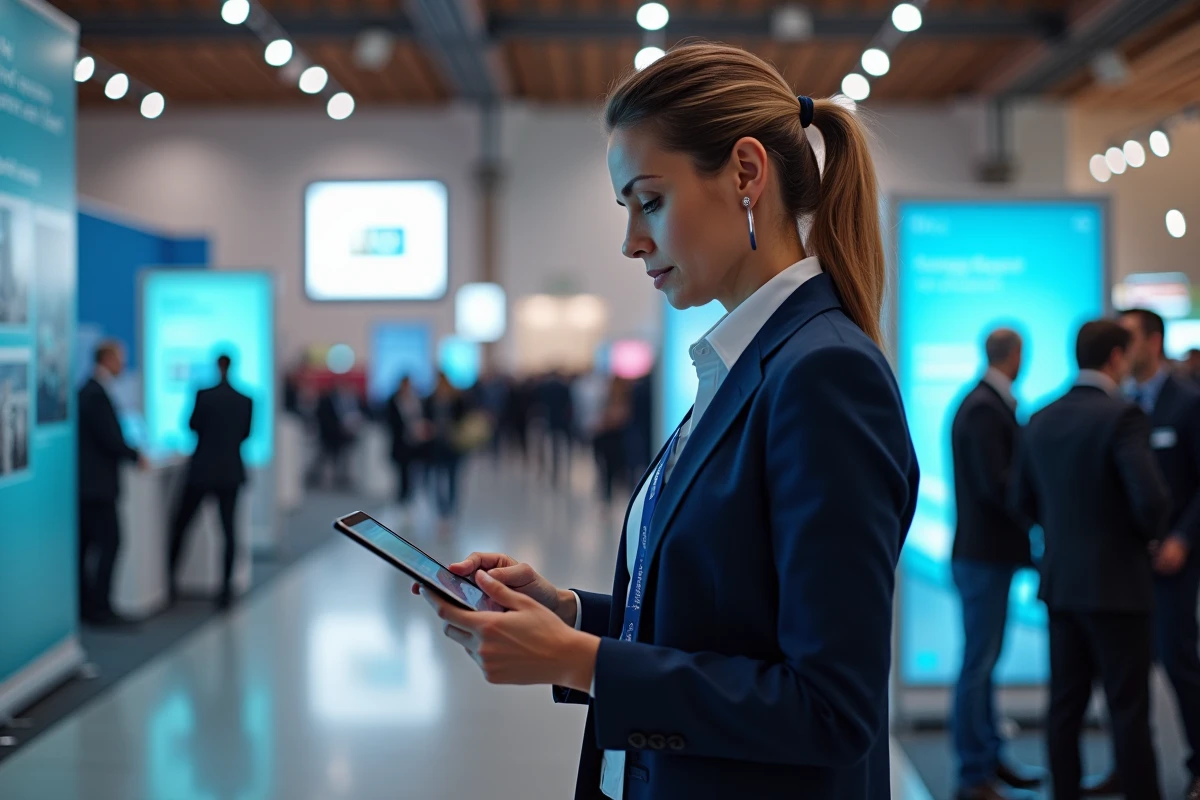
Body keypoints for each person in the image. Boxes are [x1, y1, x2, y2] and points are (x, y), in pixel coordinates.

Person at [413, 44, 919, 799]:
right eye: (626, 209)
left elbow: (831, 708)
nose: (631, 241)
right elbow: (728, 618)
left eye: (649, 200)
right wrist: (570, 614)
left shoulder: (821, 374)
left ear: (747, 174)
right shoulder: (746, 363)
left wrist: (579, 661)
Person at [1011, 320, 1170, 800]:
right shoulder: (1123, 416)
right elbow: (1152, 503)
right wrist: (1144, 536)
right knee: (1127, 711)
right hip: (1119, 586)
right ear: (1117, 358)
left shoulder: (1040, 417)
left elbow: (1019, 501)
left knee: (1064, 709)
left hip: (1062, 586)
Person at [949, 329, 1041, 800]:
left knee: (982, 664)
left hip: (984, 555)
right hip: (984, 556)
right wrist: (1045, 512)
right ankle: (973, 773)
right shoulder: (986, 407)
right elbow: (999, 485)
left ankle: (986, 761)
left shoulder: (984, 402)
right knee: (978, 666)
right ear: (1016, 355)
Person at [1120, 309, 1200, 800]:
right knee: (1127, 673)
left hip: (1176, 561)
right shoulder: (1120, 404)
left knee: (1179, 663)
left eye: (1127, 337)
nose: (1120, 346)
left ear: (1153, 341)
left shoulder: (1188, 403)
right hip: (1126, 564)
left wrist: (1183, 538)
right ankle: (1131, 770)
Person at [168, 354, 253, 609]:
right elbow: (246, 433)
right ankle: (225, 590)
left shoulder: (204, 395)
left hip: (202, 470)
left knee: (181, 525)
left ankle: (169, 581)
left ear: (218, 366)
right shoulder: (245, 399)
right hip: (229, 471)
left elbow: (192, 425)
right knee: (228, 531)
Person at [77, 340, 145, 625]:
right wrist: (135, 455)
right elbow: (109, 438)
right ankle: (98, 607)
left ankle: (91, 604)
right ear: (107, 359)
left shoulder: (91, 391)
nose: (123, 365)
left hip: (92, 486)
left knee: (90, 546)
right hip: (96, 487)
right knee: (108, 543)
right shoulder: (94, 394)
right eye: (120, 359)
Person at [424, 372, 467, 522]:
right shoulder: (430, 399)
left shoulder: (457, 399)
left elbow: (464, 420)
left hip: (453, 445)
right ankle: (442, 511)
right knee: (437, 480)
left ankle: (451, 508)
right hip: (437, 446)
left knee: (453, 479)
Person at [385, 376, 429, 518]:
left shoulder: (416, 400)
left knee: (414, 473)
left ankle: (410, 498)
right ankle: (402, 500)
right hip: (400, 444)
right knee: (402, 473)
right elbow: (390, 422)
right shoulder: (393, 401)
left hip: (415, 445)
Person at [314, 379, 362, 489]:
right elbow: (323, 418)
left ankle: (341, 478)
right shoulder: (327, 400)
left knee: (342, 458)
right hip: (330, 435)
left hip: (344, 435)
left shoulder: (352, 400)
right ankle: (317, 476)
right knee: (326, 457)